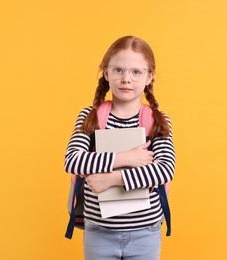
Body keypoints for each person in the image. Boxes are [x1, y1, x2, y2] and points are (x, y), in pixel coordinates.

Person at [64, 36, 175, 260]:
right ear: (106, 73)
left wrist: (112, 179)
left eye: (136, 72)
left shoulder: (157, 120)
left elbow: (164, 170)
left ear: (149, 77)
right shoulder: (90, 116)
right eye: (118, 70)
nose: (126, 79)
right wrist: (128, 157)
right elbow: (73, 161)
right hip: (99, 232)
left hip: (146, 233)